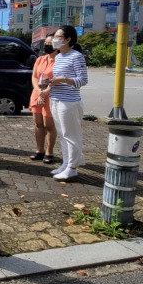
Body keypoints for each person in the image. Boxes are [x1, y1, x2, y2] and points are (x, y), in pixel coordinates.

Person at [48, 25, 89, 181]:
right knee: (62, 134)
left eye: (58, 37)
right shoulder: (58, 57)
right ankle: (66, 163)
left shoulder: (76, 56)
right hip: (56, 99)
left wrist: (64, 80)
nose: (54, 40)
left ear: (67, 40)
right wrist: (50, 83)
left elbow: (83, 80)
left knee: (71, 135)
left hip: (69, 102)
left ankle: (72, 168)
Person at [29, 33, 58, 164]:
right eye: (45, 43)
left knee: (49, 125)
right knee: (38, 123)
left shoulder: (60, 60)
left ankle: (49, 152)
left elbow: (58, 80)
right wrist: (38, 91)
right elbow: (34, 77)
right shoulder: (40, 59)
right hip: (37, 93)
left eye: (50, 43)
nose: (47, 46)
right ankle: (39, 150)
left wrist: (45, 92)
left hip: (51, 94)